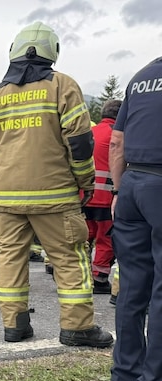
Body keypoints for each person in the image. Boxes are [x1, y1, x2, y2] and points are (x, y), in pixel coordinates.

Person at [0, 21, 113, 347]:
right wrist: (86, 181)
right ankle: (77, 327)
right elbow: (79, 143)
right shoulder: (63, 86)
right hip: (56, 198)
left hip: (5, 199)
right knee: (69, 257)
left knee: (10, 259)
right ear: (53, 52)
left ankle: (15, 326)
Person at [107, 56, 162, 381]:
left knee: (132, 287)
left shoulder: (142, 77)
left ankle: (123, 378)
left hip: (131, 185)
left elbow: (117, 142)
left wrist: (117, 190)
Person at [86, 99, 122, 294]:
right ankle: (99, 279)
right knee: (105, 239)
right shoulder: (117, 134)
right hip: (106, 198)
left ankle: (81, 275)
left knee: (85, 236)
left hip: (85, 195)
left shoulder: (90, 132)